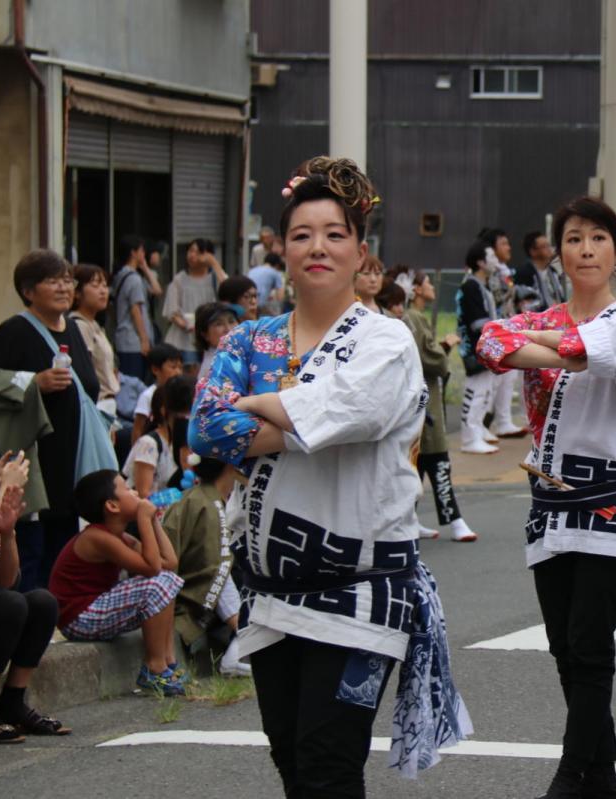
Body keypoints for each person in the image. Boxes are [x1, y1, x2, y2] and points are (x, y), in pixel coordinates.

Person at [190, 156, 469, 796]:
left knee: (328, 765)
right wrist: (289, 419)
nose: (318, 246)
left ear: (359, 252)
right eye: (302, 234)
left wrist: (255, 405)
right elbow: (203, 428)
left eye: (334, 234)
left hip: (359, 588)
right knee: (290, 756)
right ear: (281, 249)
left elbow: (354, 412)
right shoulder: (247, 339)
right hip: (270, 589)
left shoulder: (385, 341)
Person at [476, 195, 616, 799]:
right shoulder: (545, 315)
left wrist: (534, 345)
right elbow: (488, 342)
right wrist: (542, 342)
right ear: (558, 251)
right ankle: (604, 778)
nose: (585, 250)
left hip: (612, 496)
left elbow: (578, 353)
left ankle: (569, 775)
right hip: (550, 500)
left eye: (597, 239)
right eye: (573, 239)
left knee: (590, 642)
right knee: (564, 648)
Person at [0, 249, 110, 591]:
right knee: (33, 546)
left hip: (72, 461)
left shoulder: (74, 330)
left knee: (64, 542)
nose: (64, 287)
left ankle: (54, 617)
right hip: (37, 461)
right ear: (28, 290)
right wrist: (34, 382)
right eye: (52, 281)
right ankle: (30, 619)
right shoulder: (15, 330)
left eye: (67, 280)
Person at [0, 435, 68, 744]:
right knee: (10, 605)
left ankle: (13, 701)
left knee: (41, 601)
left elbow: (6, 580)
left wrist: (7, 533)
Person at [51, 470, 185, 696]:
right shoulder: (97, 537)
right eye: (127, 489)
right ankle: (155, 668)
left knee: (167, 580)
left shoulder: (121, 537)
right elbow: (152, 569)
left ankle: (168, 664)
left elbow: (169, 563)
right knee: (158, 585)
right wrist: (143, 518)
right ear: (112, 506)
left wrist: (153, 521)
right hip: (79, 618)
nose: (135, 493)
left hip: (96, 610)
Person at [403, 271, 479, 543]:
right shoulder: (412, 317)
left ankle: (409, 519)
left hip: (425, 395)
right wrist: (444, 346)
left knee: (422, 462)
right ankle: (454, 519)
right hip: (424, 397)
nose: (432, 287)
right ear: (415, 289)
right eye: (427, 283)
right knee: (436, 459)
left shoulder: (413, 317)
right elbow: (429, 357)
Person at [161, 455, 250, 677]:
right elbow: (216, 571)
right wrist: (245, 631)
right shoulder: (208, 506)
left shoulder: (203, 498)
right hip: (197, 604)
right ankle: (240, 649)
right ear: (232, 466)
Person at [481, 228, 529, 439]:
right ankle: (484, 423)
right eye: (504, 243)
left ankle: (504, 420)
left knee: (508, 376)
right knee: (494, 380)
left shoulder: (504, 271)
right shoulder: (492, 272)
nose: (508, 247)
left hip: (508, 328)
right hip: (496, 329)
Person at [456, 240, 502, 454]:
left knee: (485, 392)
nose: (495, 261)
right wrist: (499, 327)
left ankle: (478, 430)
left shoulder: (481, 286)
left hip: (486, 347)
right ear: (480, 262)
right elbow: (475, 323)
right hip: (475, 348)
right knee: (475, 392)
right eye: (491, 256)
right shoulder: (470, 286)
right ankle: (469, 437)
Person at [123, 376, 195, 498]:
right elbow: (143, 495)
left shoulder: (186, 443)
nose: (187, 419)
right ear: (163, 410)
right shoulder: (149, 444)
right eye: (184, 414)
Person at [163, 239, 228, 367]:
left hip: (211, 338)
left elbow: (228, 290)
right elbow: (172, 311)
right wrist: (187, 325)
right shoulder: (180, 279)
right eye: (191, 251)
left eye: (199, 252)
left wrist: (214, 264)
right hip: (185, 339)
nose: (192, 255)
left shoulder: (214, 278)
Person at [70, 263, 120, 417]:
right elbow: (85, 371)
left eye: (105, 285)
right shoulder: (80, 325)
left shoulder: (95, 324)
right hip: (95, 404)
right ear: (77, 293)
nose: (103, 291)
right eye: (95, 285)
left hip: (107, 403)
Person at [111, 235, 159, 381]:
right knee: (134, 383)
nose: (144, 255)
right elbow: (135, 309)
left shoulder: (121, 275)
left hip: (123, 338)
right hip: (133, 342)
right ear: (134, 253)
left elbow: (157, 290)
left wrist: (144, 267)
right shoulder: (134, 279)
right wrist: (144, 340)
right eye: (142, 251)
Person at [131, 344, 185, 444]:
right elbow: (138, 427)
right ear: (155, 369)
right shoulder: (148, 395)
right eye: (173, 367)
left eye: (180, 368)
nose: (178, 372)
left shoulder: (181, 394)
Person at [515, 230, 567, 310]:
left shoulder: (552, 272)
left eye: (549, 245)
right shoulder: (524, 273)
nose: (549, 249)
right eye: (545, 246)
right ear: (533, 251)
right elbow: (523, 304)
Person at [194, 303, 241, 381]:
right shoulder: (213, 367)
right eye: (219, 324)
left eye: (231, 321)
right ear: (205, 335)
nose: (228, 329)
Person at [250, 251, 287, 316]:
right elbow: (280, 296)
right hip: (259, 304)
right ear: (277, 265)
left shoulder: (253, 270)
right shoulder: (275, 272)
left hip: (247, 302)